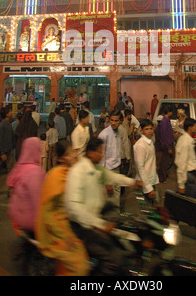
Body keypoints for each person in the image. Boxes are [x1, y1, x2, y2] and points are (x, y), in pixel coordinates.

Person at [65, 137, 138, 276]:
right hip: (82, 227)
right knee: (113, 259)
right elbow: (74, 208)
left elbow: (113, 177)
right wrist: (100, 224)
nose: (102, 155)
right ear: (91, 153)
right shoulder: (78, 171)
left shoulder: (96, 168)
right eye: (100, 152)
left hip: (95, 220)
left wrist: (132, 182)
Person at [35, 140, 90, 276]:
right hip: (57, 230)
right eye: (69, 154)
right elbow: (48, 212)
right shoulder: (56, 176)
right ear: (61, 158)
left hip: (69, 225)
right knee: (79, 266)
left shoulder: (72, 173)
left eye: (74, 151)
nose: (74, 156)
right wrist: (64, 236)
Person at [7, 137, 46, 234]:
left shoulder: (21, 166)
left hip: (19, 217)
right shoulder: (34, 172)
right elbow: (37, 201)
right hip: (31, 221)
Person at [98, 110, 131, 207]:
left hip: (116, 167)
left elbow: (123, 144)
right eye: (111, 120)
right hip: (107, 170)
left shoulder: (120, 131)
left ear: (120, 121)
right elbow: (100, 158)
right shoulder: (104, 134)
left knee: (117, 193)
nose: (113, 123)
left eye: (116, 121)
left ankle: (116, 214)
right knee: (108, 197)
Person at [133, 119, 159, 204]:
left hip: (151, 179)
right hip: (144, 183)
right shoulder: (140, 145)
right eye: (146, 129)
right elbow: (140, 167)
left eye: (151, 128)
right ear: (141, 130)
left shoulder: (150, 141)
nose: (150, 131)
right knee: (149, 213)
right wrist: (148, 188)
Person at [156, 106, 174, 182]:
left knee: (166, 161)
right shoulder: (164, 122)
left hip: (168, 143)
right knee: (164, 162)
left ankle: (164, 174)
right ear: (169, 112)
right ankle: (162, 178)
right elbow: (164, 135)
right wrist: (168, 147)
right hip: (166, 145)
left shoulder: (167, 120)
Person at [0, 105, 15, 174]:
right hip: (4, 150)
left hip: (9, 149)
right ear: (6, 114)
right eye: (10, 112)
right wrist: (2, 153)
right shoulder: (1, 126)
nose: (11, 113)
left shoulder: (8, 124)